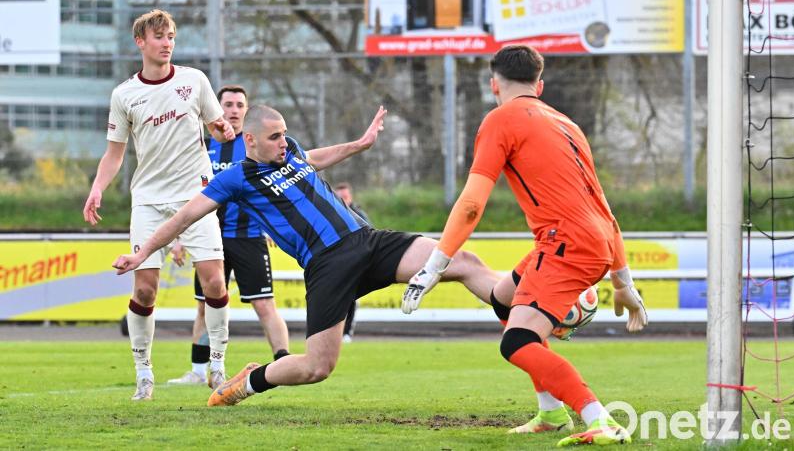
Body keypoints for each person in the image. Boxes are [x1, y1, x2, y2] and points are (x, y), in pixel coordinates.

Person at [111, 104, 501, 409]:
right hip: (327, 265)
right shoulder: (236, 179)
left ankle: (538, 308)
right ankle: (249, 381)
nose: (284, 141)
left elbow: (312, 157)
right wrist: (143, 252)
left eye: (284, 135)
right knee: (317, 368)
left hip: (368, 241)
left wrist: (358, 145)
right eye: (275, 136)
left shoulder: (292, 151)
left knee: (461, 260)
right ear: (251, 140)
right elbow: (184, 216)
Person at [402, 45, 648, 446]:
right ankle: (551, 412)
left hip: (565, 242)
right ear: (540, 84)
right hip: (594, 238)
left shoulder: (500, 119)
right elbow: (603, 208)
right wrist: (623, 282)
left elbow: (471, 205)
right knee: (503, 298)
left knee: (517, 342)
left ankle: (598, 418)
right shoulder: (567, 123)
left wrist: (434, 265)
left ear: (493, 84)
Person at [83, 9, 236, 401]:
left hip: (197, 196)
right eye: (159, 37)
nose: (167, 43)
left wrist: (222, 128)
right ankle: (144, 374)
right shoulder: (124, 95)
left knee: (215, 281)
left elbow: (217, 125)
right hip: (149, 201)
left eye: (171, 36)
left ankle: (217, 366)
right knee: (146, 290)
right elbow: (114, 154)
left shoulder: (194, 80)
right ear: (141, 42)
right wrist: (98, 187)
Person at [167, 85, 291, 387]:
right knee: (204, 304)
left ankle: (285, 365)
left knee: (264, 304)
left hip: (249, 236)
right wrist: (180, 237)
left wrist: (272, 223)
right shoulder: (205, 147)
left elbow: (277, 184)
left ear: (247, 112)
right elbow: (189, 194)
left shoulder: (256, 145)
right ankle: (198, 371)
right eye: (228, 104)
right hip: (210, 238)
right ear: (218, 109)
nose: (234, 110)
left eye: (240, 105)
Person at [333, 182, 371, 342]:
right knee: (333, 299)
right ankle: (333, 333)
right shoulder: (330, 212)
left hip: (354, 262)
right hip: (335, 262)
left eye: (346, 196)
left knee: (351, 298)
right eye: (340, 196)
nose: (343, 199)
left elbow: (370, 234)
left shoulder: (359, 214)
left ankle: (347, 332)